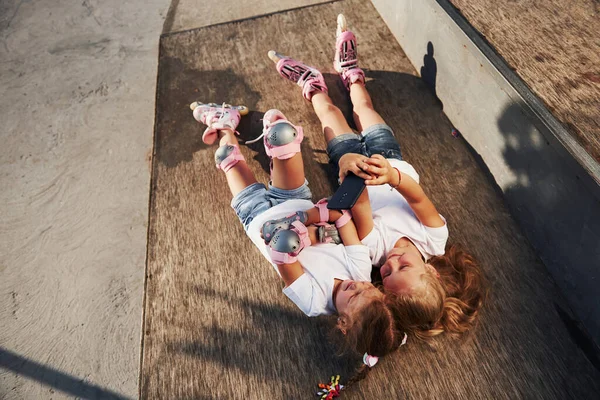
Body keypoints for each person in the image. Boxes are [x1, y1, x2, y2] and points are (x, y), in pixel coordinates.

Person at [268, 14, 485, 343]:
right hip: (391, 161)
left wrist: (350, 166)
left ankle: (311, 86)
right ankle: (352, 75)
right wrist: (392, 175)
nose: (392, 263)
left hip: (355, 168)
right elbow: (417, 197)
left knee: (331, 117)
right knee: (365, 109)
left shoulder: (372, 251)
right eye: (405, 267)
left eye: (386, 274)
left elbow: (361, 205)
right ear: (431, 272)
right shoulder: (434, 240)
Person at [190, 103, 404, 384]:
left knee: (227, 157)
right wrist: (308, 219)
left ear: (343, 323)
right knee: (284, 135)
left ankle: (224, 123)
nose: (359, 284)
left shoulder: (313, 301)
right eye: (368, 289)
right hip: (295, 198)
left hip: (255, 214)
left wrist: (314, 229)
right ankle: (270, 142)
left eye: (354, 296)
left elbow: (281, 252)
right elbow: (340, 218)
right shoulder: (361, 270)